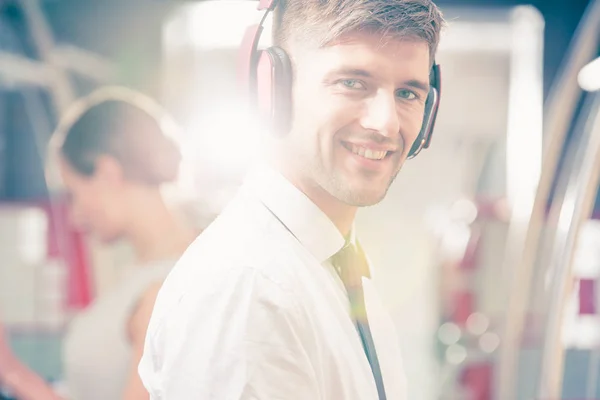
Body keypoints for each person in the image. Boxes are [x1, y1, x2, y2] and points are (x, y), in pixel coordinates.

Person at [140, 0, 444, 399]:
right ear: (274, 89)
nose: (385, 123)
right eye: (353, 83)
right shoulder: (248, 287)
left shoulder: (332, 270)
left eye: (407, 93)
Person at [0, 86, 196, 400]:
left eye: (75, 193)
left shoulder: (164, 289)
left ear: (107, 172)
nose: (76, 216)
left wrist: (11, 371)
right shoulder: (144, 272)